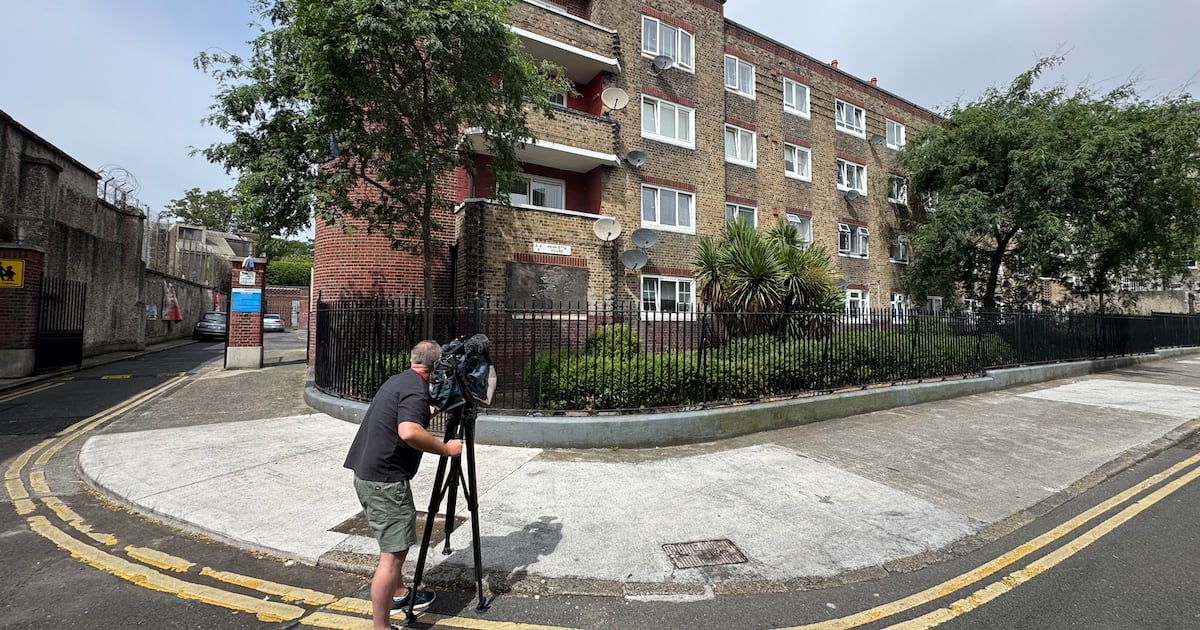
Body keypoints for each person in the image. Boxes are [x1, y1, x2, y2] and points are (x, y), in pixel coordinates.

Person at [344, 339, 463, 630]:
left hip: (368, 475)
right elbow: (409, 431)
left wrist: (437, 406)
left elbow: (412, 413)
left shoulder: (400, 381)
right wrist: (446, 449)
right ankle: (381, 626)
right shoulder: (416, 390)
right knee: (393, 557)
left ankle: (399, 594)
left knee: (391, 545)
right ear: (437, 365)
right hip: (385, 483)